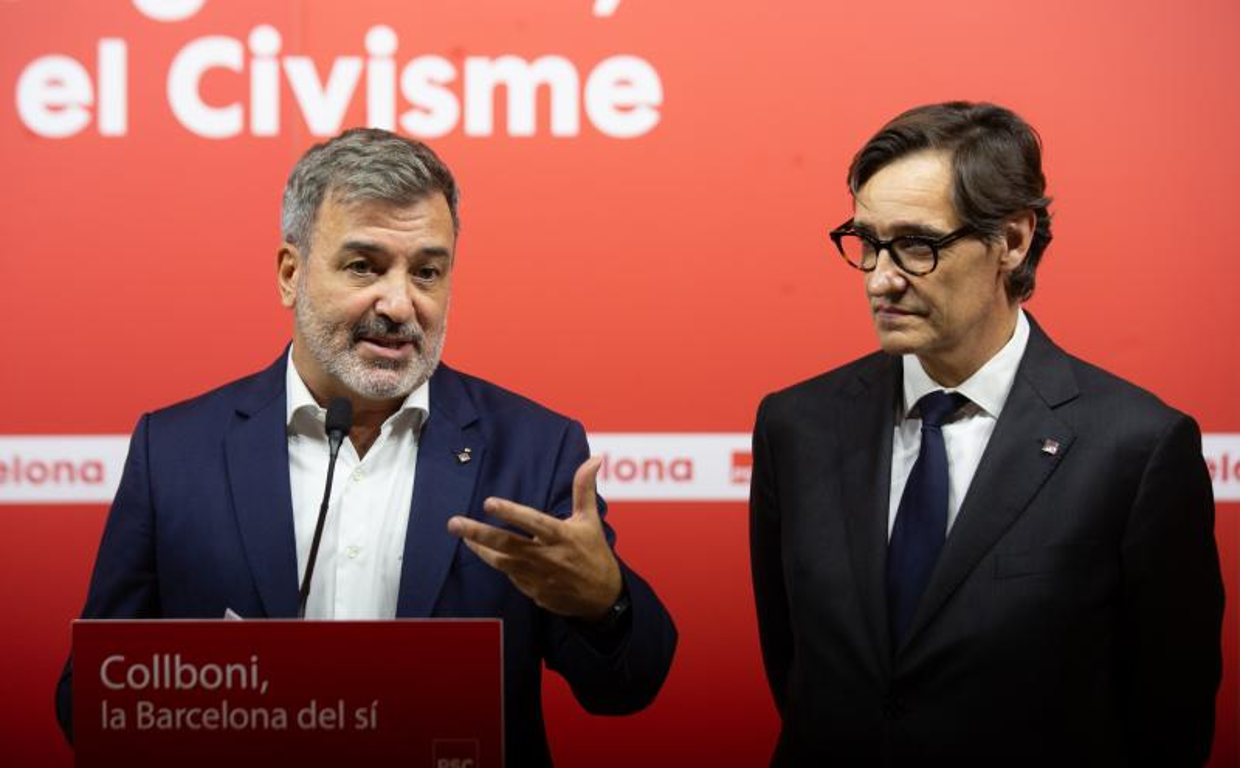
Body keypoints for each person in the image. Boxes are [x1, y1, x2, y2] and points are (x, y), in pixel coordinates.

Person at [56, 127, 677, 766]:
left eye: (427, 272)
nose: (400, 304)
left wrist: (605, 602)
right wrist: (217, 694)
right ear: (291, 274)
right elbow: (89, 700)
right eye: (364, 266)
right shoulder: (174, 452)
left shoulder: (535, 449)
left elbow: (625, 689)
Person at [749, 101, 1223, 766]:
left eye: (917, 245)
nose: (881, 279)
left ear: (1013, 240)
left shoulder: (1137, 449)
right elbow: (797, 670)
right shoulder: (796, 426)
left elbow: (1169, 719)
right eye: (867, 242)